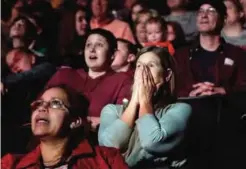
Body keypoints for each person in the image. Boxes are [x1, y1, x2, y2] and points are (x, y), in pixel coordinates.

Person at [99, 46, 192, 168]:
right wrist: (134, 101)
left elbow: (152, 142)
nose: (143, 71)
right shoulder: (112, 110)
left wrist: (144, 100)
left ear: (167, 75)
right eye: (139, 66)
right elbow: (109, 147)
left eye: (151, 65)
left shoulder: (180, 110)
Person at [1, 85, 129, 169]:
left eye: (55, 103)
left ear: (75, 121)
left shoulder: (105, 158)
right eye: (39, 104)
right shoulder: (11, 164)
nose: (42, 108)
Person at [46, 28, 132, 128]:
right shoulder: (64, 74)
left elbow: (122, 120)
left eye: (99, 45)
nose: (92, 49)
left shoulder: (122, 81)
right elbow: (40, 106)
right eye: (88, 45)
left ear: (113, 54)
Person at [174, 0, 246, 97]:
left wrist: (222, 90)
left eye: (211, 11)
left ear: (224, 19)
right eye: (200, 11)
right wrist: (190, 94)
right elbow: (172, 89)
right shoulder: (181, 55)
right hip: (190, 108)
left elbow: (242, 88)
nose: (204, 15)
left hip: (226, 108)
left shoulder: (237, 54)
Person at [1, 48, 56, 154]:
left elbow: (32, 74)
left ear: (32, 58)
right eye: (11, 66)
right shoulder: (16, 88)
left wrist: (5, 82)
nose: (15, 67)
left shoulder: (46, 68)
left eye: (17, 60)